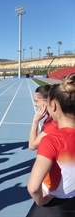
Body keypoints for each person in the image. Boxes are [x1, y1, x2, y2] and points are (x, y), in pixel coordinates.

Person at [27, 73, 75, 217]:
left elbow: (33, 188)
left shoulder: (52, 140)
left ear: (53, 105)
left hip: (55, 203)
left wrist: (41, 200)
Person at [28, 84, 58, 150]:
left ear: (47, 101)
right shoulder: (49, 118)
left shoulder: (55, 123)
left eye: (36, 101)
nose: (35, 104)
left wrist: (35, 121)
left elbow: (32, 145)